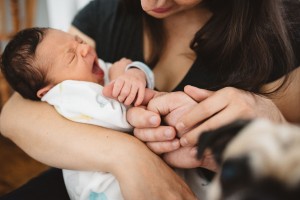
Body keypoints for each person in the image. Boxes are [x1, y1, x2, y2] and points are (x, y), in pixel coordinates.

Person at [0, 0, 299, 199]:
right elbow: (14, 115)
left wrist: (272, 122)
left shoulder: (285, 31)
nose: (150, 3)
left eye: (78, 44)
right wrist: (129, 157)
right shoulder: (104, 14)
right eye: (71, 51)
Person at [0, 27, 157, 200]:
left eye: (79, 41)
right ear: (48, 91)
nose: (85, 48)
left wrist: (135, 72)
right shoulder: (67, 94)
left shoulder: (93, 73)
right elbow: (121, 120)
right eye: (72, 56)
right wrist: (121, 76)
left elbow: (140, 79)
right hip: (107, 189)